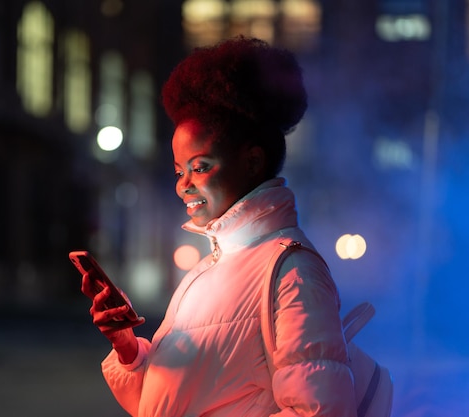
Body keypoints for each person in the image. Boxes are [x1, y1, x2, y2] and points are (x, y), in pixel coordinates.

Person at [86, 36, 358, 417]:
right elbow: (164, 405)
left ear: (252, 162)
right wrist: (127, 345)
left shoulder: (293, 272)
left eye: (199, 167)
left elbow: (320, 411)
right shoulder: (211, 267)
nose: (183, 184)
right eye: (179, 171)